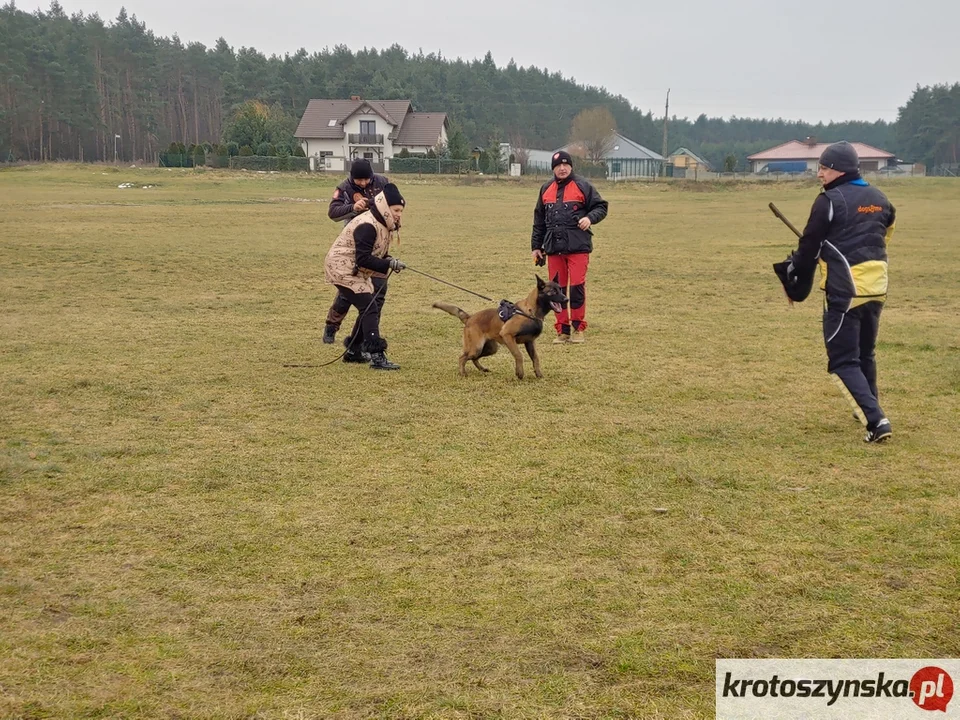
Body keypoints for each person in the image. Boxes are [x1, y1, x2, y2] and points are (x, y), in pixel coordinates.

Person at [774, 141, 896, 442]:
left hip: (844, 290)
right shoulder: (880, 198)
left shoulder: (828, 201)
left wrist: (794, 282)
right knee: (865, 354)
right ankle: (868, 408)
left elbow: (808, 249)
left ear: (838, 170)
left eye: (824, 168)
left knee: (843, 361)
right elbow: (885, 233)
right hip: (876, 286)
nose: (820, 174)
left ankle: (876, 421)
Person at [324, 183, 406, 370]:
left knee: (370, 304)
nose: (399, 214)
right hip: (342, 268)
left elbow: (374, 253)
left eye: (401, 210)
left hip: (355, 269)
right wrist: (388, 264)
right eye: (396, 209)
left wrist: (390, 260)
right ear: (386, 207)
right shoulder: (368, 225)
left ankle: (354, 351)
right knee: (369, 306)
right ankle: (377, 355)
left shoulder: (382, 223)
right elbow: (363, 259)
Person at [530, 150, 608, 344]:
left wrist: (589, 218)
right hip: (553, 248)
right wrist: (536, 246)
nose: (562, 168)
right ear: (553, 169)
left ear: (571, 166)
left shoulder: (583, 186)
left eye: (565, 165)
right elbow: (539, 220)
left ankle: (578, 329)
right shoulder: (546, 188)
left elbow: (601, 207)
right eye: (558, 166)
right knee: (556, 290)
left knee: (576, 288)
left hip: (578, 246)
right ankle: (562, 330)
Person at [323, 159, 390, 344]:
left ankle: (364, 336)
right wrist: (353, 208)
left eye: (366, 179)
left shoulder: (383, 183)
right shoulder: (344, 188)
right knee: (349, 292)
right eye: (358, 180)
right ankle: (332, 325)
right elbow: (333, 212)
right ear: (352, 177)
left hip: (379, 244)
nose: (362, 183)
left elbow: (394, 203)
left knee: (378, 292)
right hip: (355, 248)